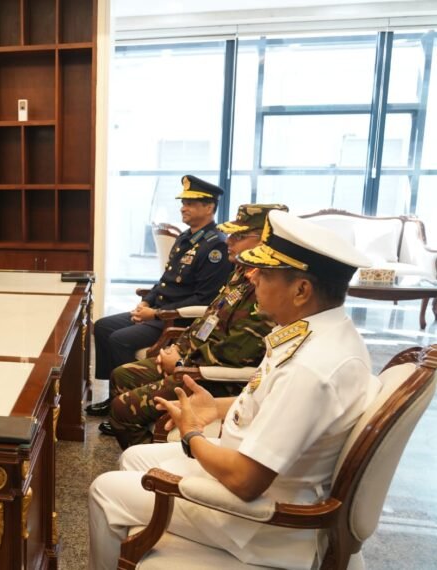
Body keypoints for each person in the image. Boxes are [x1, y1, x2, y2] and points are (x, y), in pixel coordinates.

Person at [88, 209, 380, 570]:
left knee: (104, 490)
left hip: (259, 521)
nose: (252, 275)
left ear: (302, 289)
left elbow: (246, 480)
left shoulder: (312, 368)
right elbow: (272, 402)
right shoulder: (318, 332)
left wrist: (193, 434)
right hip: (258, 472)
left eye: (266, 272)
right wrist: (217, 407)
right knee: (134, 459)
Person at [100, 204, 288, 448]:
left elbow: (235, 354)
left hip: (211, 378)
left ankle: (151, 461)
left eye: (239, 236)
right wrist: (178, 348)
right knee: (121, 374)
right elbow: (209, 318)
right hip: (194, 360)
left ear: (264, 240)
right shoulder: (241, 271)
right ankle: (142, 440)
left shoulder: (266, 284)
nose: (229, 241)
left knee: (122, 408)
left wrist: (181, 363)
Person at [88, 175, 234, 417]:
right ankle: (111, 397)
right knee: (102, 326)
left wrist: (154, 313)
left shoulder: (215, 246)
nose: (183, 208)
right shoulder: (186, 237)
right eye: (183, 202)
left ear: (209, 207)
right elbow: (165, 279)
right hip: (156, 310)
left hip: (176, 318)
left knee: (120, 339)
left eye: (190, 203)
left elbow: (205, 299)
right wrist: (146, 301)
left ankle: (124, 405)